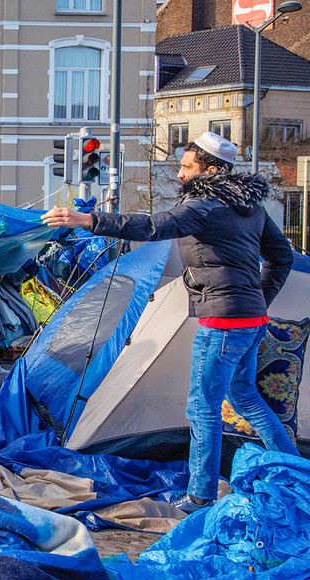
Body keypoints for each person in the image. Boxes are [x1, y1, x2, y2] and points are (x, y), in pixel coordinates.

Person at [41, 131, 298, 513]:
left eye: (186, 167)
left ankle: (200, 495)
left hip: (223, 323)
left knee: (202, 406)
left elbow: (151, 225)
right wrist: (258, 299)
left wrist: (87, 219)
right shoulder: (250, 206)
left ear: (210, 169)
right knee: (245, 397)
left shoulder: (204, 205)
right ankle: (295, 470)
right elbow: (283, 257)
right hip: (251, 318)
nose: (179, 174)